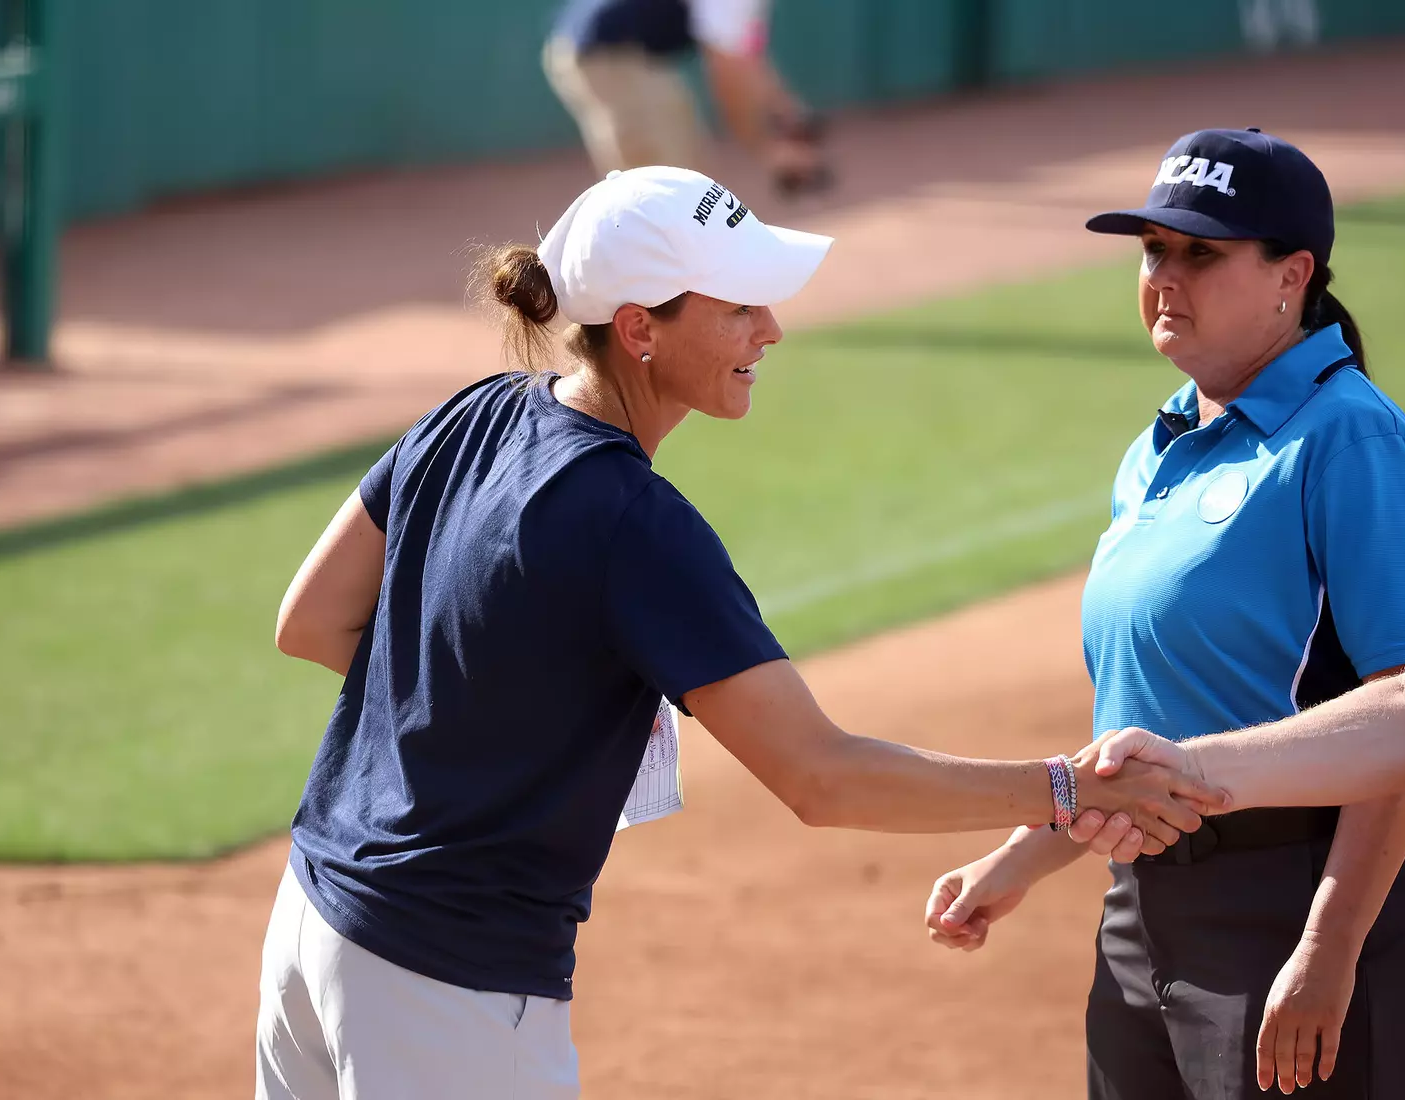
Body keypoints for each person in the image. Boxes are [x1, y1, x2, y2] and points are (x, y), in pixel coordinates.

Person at [253, 165, 1215, 1100]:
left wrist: (497, 706)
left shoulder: (475, 412)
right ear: (639, 330)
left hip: (312, 923)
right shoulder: (635, 520)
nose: (773, 329)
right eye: (738, 308)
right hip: (445, 985)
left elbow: (312, 620)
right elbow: (820, 776)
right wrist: (1063, 787)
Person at [923, 131, 1405, 1099]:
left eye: (1201, 254)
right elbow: (1152, 717)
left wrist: (1327, 948)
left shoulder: (1351, 442)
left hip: (1300, 900)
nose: (1165, 276)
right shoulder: (1164, 439)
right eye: (1152, 250)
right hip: (1144, 907)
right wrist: (1024, 854)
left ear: (1290, 275)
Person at [542, 0, 830, 195]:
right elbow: (727, 74)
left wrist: (786, 107)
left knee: (689, 184)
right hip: (608, 58)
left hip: (629, 58)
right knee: (674, 189)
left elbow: (747, 54)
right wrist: (766, 151)